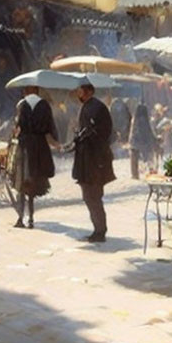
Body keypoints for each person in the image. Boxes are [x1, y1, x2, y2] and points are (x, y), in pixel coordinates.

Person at [72, 83, 115, 243]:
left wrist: (86, 136)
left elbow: (101, 132)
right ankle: (98, 229)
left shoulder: (96, 107)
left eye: (80, 91)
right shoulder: (89, 106)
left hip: (95, 160)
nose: (78, 94)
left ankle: (100, 231)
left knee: (93, 196)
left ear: (88, 92)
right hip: (89, 159)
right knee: (90, 196)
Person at [11, 86, 59, 229]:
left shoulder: (21, 105)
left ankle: (20, 218)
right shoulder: (45, 105)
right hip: (39, 148)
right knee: (33, 182)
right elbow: (51, 127)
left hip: (25, 146)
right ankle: (31, 218)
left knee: (21, 182)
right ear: (37, 91)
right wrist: (56, 142)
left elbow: (17, 127)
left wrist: (15, 133)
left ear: (26, 91)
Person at [128, 103, 160, 178]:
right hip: (143, 143)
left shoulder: (134, 119)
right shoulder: (145, 120)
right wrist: (155, 140)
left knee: (134, 159)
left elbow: (132, 132)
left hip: (134, 143)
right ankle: (151, 172)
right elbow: (149, 132)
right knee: (149, 158)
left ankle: (135, 174)